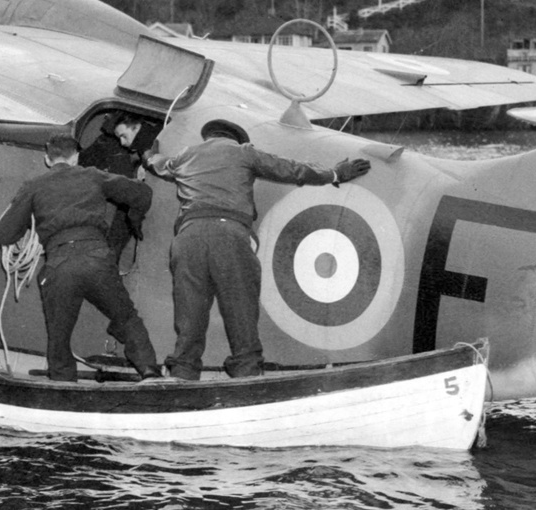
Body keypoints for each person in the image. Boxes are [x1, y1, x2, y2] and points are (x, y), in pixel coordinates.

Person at [144, 119, 371, 380]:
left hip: (188, 238)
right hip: (229, 236)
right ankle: (247, 375)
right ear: (237, 139)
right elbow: (290, 169)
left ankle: (182, 376)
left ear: (208, 137)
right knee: (241, 313)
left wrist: (149, 154)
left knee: (189, 316)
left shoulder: (185, 155)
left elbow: (157, 163)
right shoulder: (244, 152)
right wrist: (334, 174)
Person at [0, 132, 162, 382]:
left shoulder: (33, 186)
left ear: (47, 160)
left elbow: (3, 235)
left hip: (59, 263)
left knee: (59, 336)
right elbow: (143, 196)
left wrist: (34, 223)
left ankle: (64, 388)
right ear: (76, 157)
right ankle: (150, 372)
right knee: (127, 318)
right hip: (97, 258)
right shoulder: (92, 174)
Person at [78, 112, 152, 261]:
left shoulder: (150, 146)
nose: (123, 143)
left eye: (124, 136)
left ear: (137, 128)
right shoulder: (136, 145)